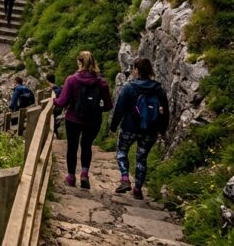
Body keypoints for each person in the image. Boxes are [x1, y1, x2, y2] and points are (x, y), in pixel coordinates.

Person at [110, 58, 170, 200]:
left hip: (129, 128)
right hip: (149, 130)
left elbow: (119, 109)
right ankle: (138, 188)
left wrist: (113, 125)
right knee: (141, 158)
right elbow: (166, 112)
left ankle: (125, 178)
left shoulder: (129, 88)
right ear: (150, 70)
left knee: (121, 151)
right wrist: (162, 129)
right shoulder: (159, 90)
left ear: (136, 70)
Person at [54, 51, 113, 189]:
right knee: (86, 146)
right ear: (93, 63)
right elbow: (108, 105)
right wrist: (97, 109)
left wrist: (54, 100)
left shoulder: (72, 80)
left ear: (80, 63)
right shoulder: (102, 83)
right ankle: (84, 174)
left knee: (72, 147)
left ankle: (70, 176)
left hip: (73, 118)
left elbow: (62, 102)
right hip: (93, 121)